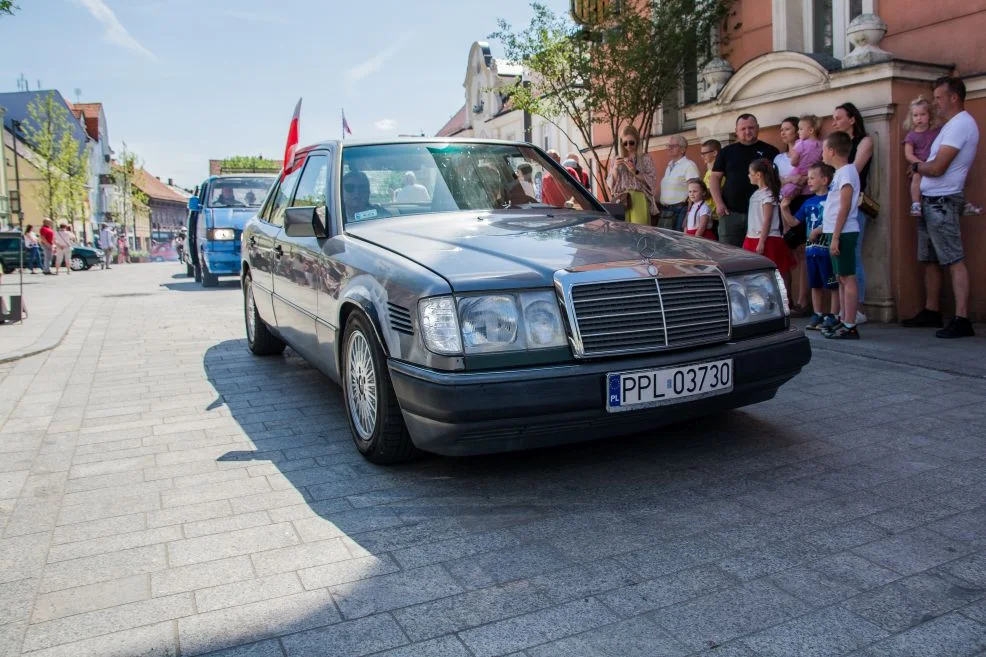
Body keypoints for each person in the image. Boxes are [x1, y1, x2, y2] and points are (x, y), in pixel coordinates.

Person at [905, 76, 979, 338]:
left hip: (943, 200)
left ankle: (962, 318)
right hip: (930, 200)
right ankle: (932, 309)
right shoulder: (950, 126)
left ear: (954, 98)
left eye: (938, 98)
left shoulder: (961, 125)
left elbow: (937, 167)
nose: (935, 103)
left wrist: (915, 167)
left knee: (954, 259)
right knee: (930, 259)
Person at [781, 163, 840, 331]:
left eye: (813, 178)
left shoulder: (832, 199)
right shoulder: (808, 202)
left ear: (825, 180)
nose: (809, 181)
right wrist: (784, 209)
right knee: (815, 284)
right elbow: (794, 222)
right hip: (811, 249)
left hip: (827, 249)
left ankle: (834, 314)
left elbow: (836, 220)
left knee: (832, 283)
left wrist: (820, 229)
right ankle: (818, 313)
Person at [710, 114, 779, 247]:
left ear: (758, 128)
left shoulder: (770, 151)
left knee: (758, 255)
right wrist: (719, 203)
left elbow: (777, 181)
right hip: (731, 213)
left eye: (751, 128)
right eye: (743, 129)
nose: (747, 131)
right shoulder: (726, 152)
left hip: (761, 214)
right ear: (736, 131)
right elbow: (714, 178)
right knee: (729, 254)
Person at [832, 102, 873, 324]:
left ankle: (857, 308)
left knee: (853, 256)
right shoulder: (837, 147)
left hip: (855, 204)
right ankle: (845, 310)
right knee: (841, 262)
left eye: (839, 118)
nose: (834, 122)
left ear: (852, 119)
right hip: (837, 205)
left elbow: (853, 170)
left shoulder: (864, 142)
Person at [820, 131, 862, 340]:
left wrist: (836, 236)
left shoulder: (847, 172)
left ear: (832, 151)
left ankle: (850, 323)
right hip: (835, 231)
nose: (822, 154)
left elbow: (844, 206)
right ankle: (843, 318)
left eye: (823, 149)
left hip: (844, 232)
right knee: (840, 278)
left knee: (848, 277)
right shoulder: (840, 173)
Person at [775, 117, 810, 315]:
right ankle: (787, 299)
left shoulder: (807, 150)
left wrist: (798, 183)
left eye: (787, 129)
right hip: (784, 204)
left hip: (802, 201)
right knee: (788, 252)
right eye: (781, 129)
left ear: (798, 131)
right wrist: (789, 179)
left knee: (803, 252)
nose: (783, 132)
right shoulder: (779, 158)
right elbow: (774, 181)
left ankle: (803, 300)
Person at [743, 159, 794, 292]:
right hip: (752, 237)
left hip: (767, 238)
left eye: (750, 173)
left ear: (758, 175)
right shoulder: (756, 194)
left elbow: (767, 219)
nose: (748, 176)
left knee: (777, 271)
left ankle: (785, 300)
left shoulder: (768, 194)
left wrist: (761, 242)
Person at [606, 125, 657, 226]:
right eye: (625, 143)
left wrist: (635, 171)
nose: (628, 146)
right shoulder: (616, 159)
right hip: (621, 198)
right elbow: (611, 184)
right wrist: (615, 168)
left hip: (639, 197)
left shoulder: (645, 158)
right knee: (622, 232)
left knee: (640, 231)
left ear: (637, 141)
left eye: (631, 142)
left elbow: (651, 181)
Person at [902, 96, 940, 217]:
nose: (919, 118)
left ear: (929, 115)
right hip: (919, 164)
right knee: (917, 176)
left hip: (934, 162)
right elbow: (908, 154)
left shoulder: (936, 132)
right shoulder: (911, 136)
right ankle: (916, 203)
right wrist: (920, 164)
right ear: (911, 118)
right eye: (916, 115)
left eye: (923, 114)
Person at [659, 135, 701, 231]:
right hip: (666, 211)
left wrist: (688, 215)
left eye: (673, 146)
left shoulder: (689, 165)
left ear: (683, 149)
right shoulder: (669, 165)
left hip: (680, 210)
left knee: (676, 242)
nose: (669, 148)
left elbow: (695, 192)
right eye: (668, 145)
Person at [781, 115, 823, 200]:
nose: (798, 132)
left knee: (787, 192)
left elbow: (793, 162)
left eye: (800, 129)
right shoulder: (821, 145)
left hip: (799, 175)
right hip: (814, 183)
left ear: (811, 130)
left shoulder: (801, 144)